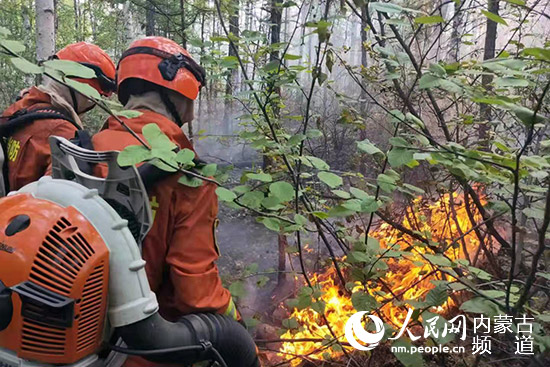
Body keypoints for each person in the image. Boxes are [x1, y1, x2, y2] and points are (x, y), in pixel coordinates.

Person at [92, 37, 243, 366]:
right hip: (139, 351)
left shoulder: (81, 150)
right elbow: (196, 292)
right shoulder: (187, 176)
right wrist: (236, 325)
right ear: (179, 92)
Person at [1, 42, 116, 191]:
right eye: (96, 97)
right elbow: (63, 198)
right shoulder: (63, 131)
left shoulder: (21, 107)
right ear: (83, 90)